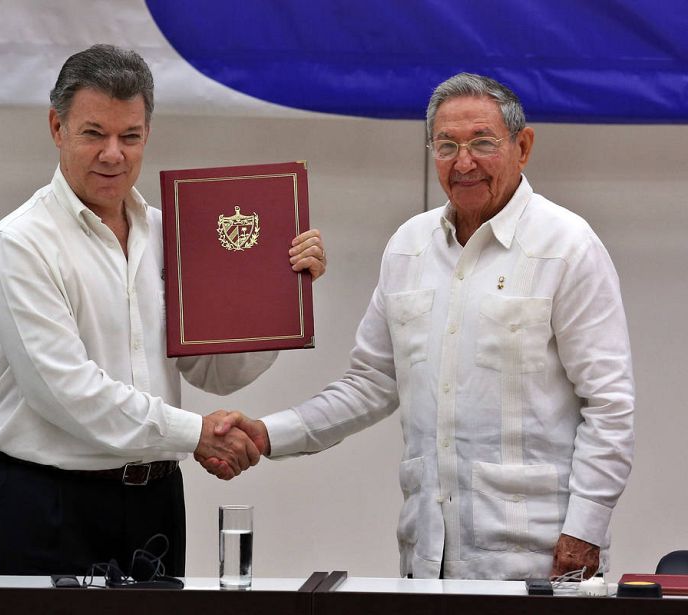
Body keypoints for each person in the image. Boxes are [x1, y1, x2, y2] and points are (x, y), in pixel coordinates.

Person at [207, 73, 634, 581]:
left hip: (541, 556)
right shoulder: (409, 246)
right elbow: (370, 384)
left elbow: (610, 404)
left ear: (523, 146)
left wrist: (586, 528)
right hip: (428, 555)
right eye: (447, 144)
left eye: (482, 142)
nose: (464, 161)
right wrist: (268, 433)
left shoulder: (567, 246)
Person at [0, 44, 326, 576]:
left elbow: (216, 370)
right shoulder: (21, 242)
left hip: (156, 503)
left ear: (147, 134)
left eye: (130, 136)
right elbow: (66, 393)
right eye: (94, 133)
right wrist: (196, 433)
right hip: (50, 506)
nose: (113, 154)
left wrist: (278, 294)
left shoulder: (172, 232)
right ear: (57, 127)